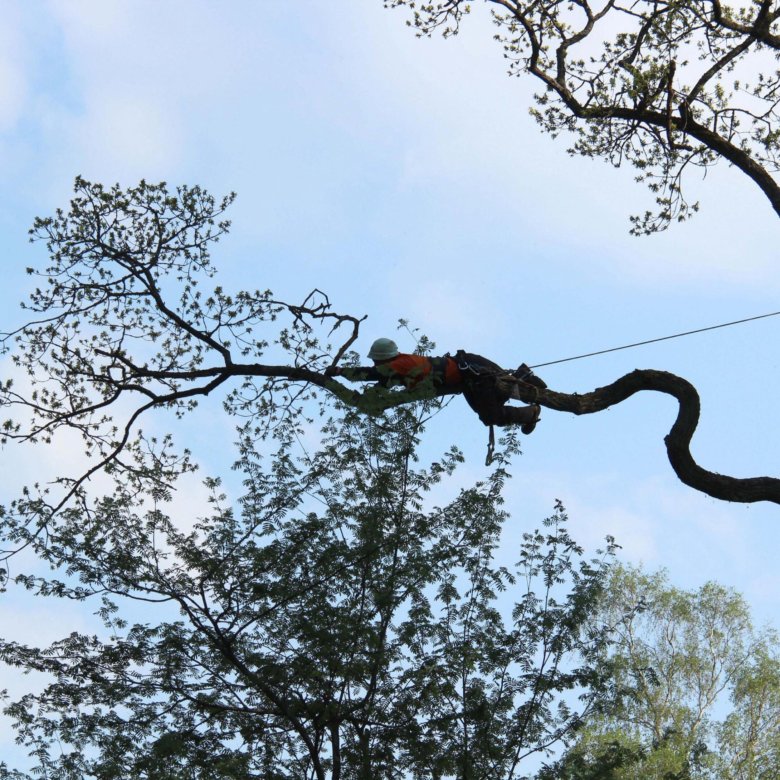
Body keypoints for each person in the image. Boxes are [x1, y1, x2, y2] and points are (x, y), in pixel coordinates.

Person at [325, 337, 544, 434]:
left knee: (491, 414)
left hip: (474, 372)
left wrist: (340, 371)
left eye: (375, 360)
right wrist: (368, 403)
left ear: (382, 359)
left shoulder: (399, 364)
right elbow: (381, 385)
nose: (374, 363)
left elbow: (370, 374)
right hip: (469, 374)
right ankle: (522, 380)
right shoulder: (397, 368)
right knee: (493, 405)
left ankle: (526, 396)